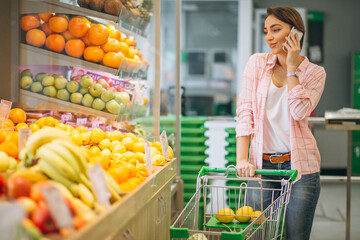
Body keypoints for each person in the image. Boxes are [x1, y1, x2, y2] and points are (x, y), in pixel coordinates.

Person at [235, 6, 326, 240]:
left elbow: (299, 112)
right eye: (266, 31)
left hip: (300, 170)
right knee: (255, 234)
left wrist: (292, 68)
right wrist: (242, 159)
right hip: (261, 167)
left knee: (295, 236)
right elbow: (245, 112)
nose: (269, 37)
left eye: (276, 30)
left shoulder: (315, 73)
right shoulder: (256, 63)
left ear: (295, 33)